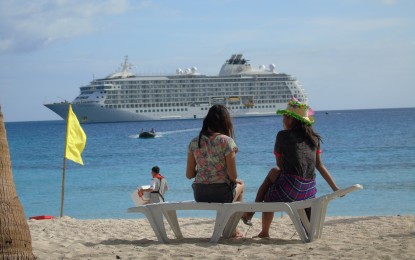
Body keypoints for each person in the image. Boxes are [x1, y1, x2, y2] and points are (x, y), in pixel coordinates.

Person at [242, 98, 339, 238]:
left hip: (291, 188)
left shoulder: (282, 135)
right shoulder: (314, 139)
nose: (283, 119)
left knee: (270, 192)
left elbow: (280, 165)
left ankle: (261, 228)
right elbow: (320, 165)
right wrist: (336, 189)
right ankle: (308, 230)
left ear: (291, 119)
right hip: (309, 190)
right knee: (300, 192)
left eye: (285, 116)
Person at [186, 104, 244, 237]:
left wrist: (204, 170)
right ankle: (233, 230)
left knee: (232, 187)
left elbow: (189, 175)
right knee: (241, 185)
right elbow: (233, 176)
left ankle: (230, 228)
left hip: (199, 194)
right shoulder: (227, 141)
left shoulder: (194, 142)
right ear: (225, 122)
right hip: (221, 193)